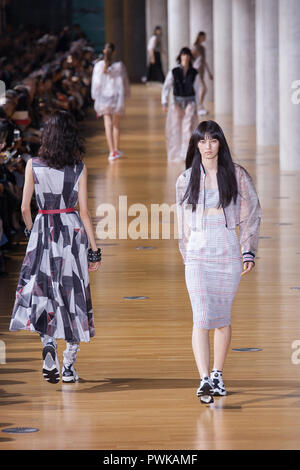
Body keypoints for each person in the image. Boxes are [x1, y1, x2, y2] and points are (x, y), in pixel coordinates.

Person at [9, 110, 101, 384]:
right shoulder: (79, 167)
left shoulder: (33, 165)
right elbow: (84, 212)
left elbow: (25, 207)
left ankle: (48, 342)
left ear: (47, 135)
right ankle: (69, 365)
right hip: (71, 232)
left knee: (44, 292)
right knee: (73, 296)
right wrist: (94, 250)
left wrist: (31, 230)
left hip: (43, 229)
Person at [175, 120, 262, 404]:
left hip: (226, 249)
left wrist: (247, 249)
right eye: (202, 141)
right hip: (198, 251)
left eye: (213, 140)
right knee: (201, 316)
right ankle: (203, 380)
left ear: (220, 143)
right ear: (196, 144)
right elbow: (182, 223)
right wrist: (187, 255)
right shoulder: (186, 179)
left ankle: (217, 375)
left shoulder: (236, 175)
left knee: (221, 317)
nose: (208, 146)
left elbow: (252, 212)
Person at [91, 43, 130, 161]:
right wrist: (125, 95)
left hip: (103, 98)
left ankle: (111, 151)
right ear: (114, 52)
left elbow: (96, 84)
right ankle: (116, 150)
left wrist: (95, 97)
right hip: (115, 97)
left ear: (104, 51)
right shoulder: (119, 66)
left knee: (107, 124)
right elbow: (124, 83)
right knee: (116, 124)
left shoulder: (98, 66)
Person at [161, 47, 200, 162]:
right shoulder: (174, 71)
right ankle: (175, 152)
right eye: (183, 55)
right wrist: (164, 102)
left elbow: (197, 89)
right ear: (180, 56)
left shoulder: (194, 72)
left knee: (188, 128)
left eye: (187, 55)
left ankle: (186, 153)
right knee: (176, 128)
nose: (186, 57)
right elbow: (166, 87)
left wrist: (198, 105)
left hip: (190, 101)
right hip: (177, 102)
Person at [191, 31, 213, 116]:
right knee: (203, 88)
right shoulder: (195, 47)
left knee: (202, 88)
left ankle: (199, 106)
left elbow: (204, 61)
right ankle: (199, 106)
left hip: (202, 70)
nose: (205, 38)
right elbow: (192, 59)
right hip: (196, 70)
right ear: (200, 37)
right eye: (203, 37)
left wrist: (209, 73)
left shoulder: (202, 48)